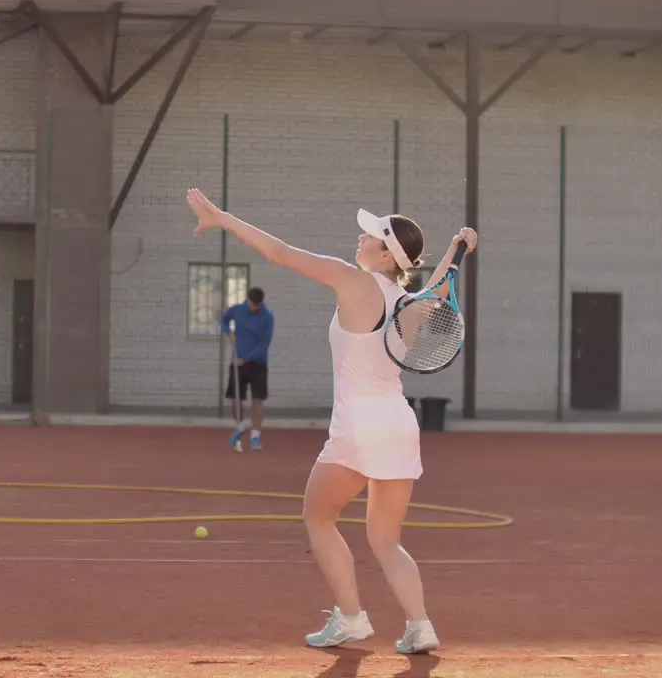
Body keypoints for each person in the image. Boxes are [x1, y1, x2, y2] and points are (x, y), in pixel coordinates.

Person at [184, 187, 477, 655]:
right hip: (399, 426)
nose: (358, 239)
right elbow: (436, 284)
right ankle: (420, 625)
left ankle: (351, 617)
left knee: (318, 517)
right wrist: (455, 248)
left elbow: (280, 253)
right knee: (386, 540)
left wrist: (224, 219)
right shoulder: (411, 305)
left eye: (369, 237)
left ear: (385, 254)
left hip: (359, 427)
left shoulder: (350, 280)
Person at [221, 286, 274, 452]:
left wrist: (246, 359)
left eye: (256, 306)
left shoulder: (268, 317)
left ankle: (255, 436)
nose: (253, 308)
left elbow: (264, 344)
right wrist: (229, 332)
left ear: (261, 304)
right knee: (236, 399)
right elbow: (223, 320)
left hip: (257, 363)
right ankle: (241, 425)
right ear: (248, 300)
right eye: (251, 304)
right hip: (237, 361)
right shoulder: (237, 310)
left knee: (257, 400)